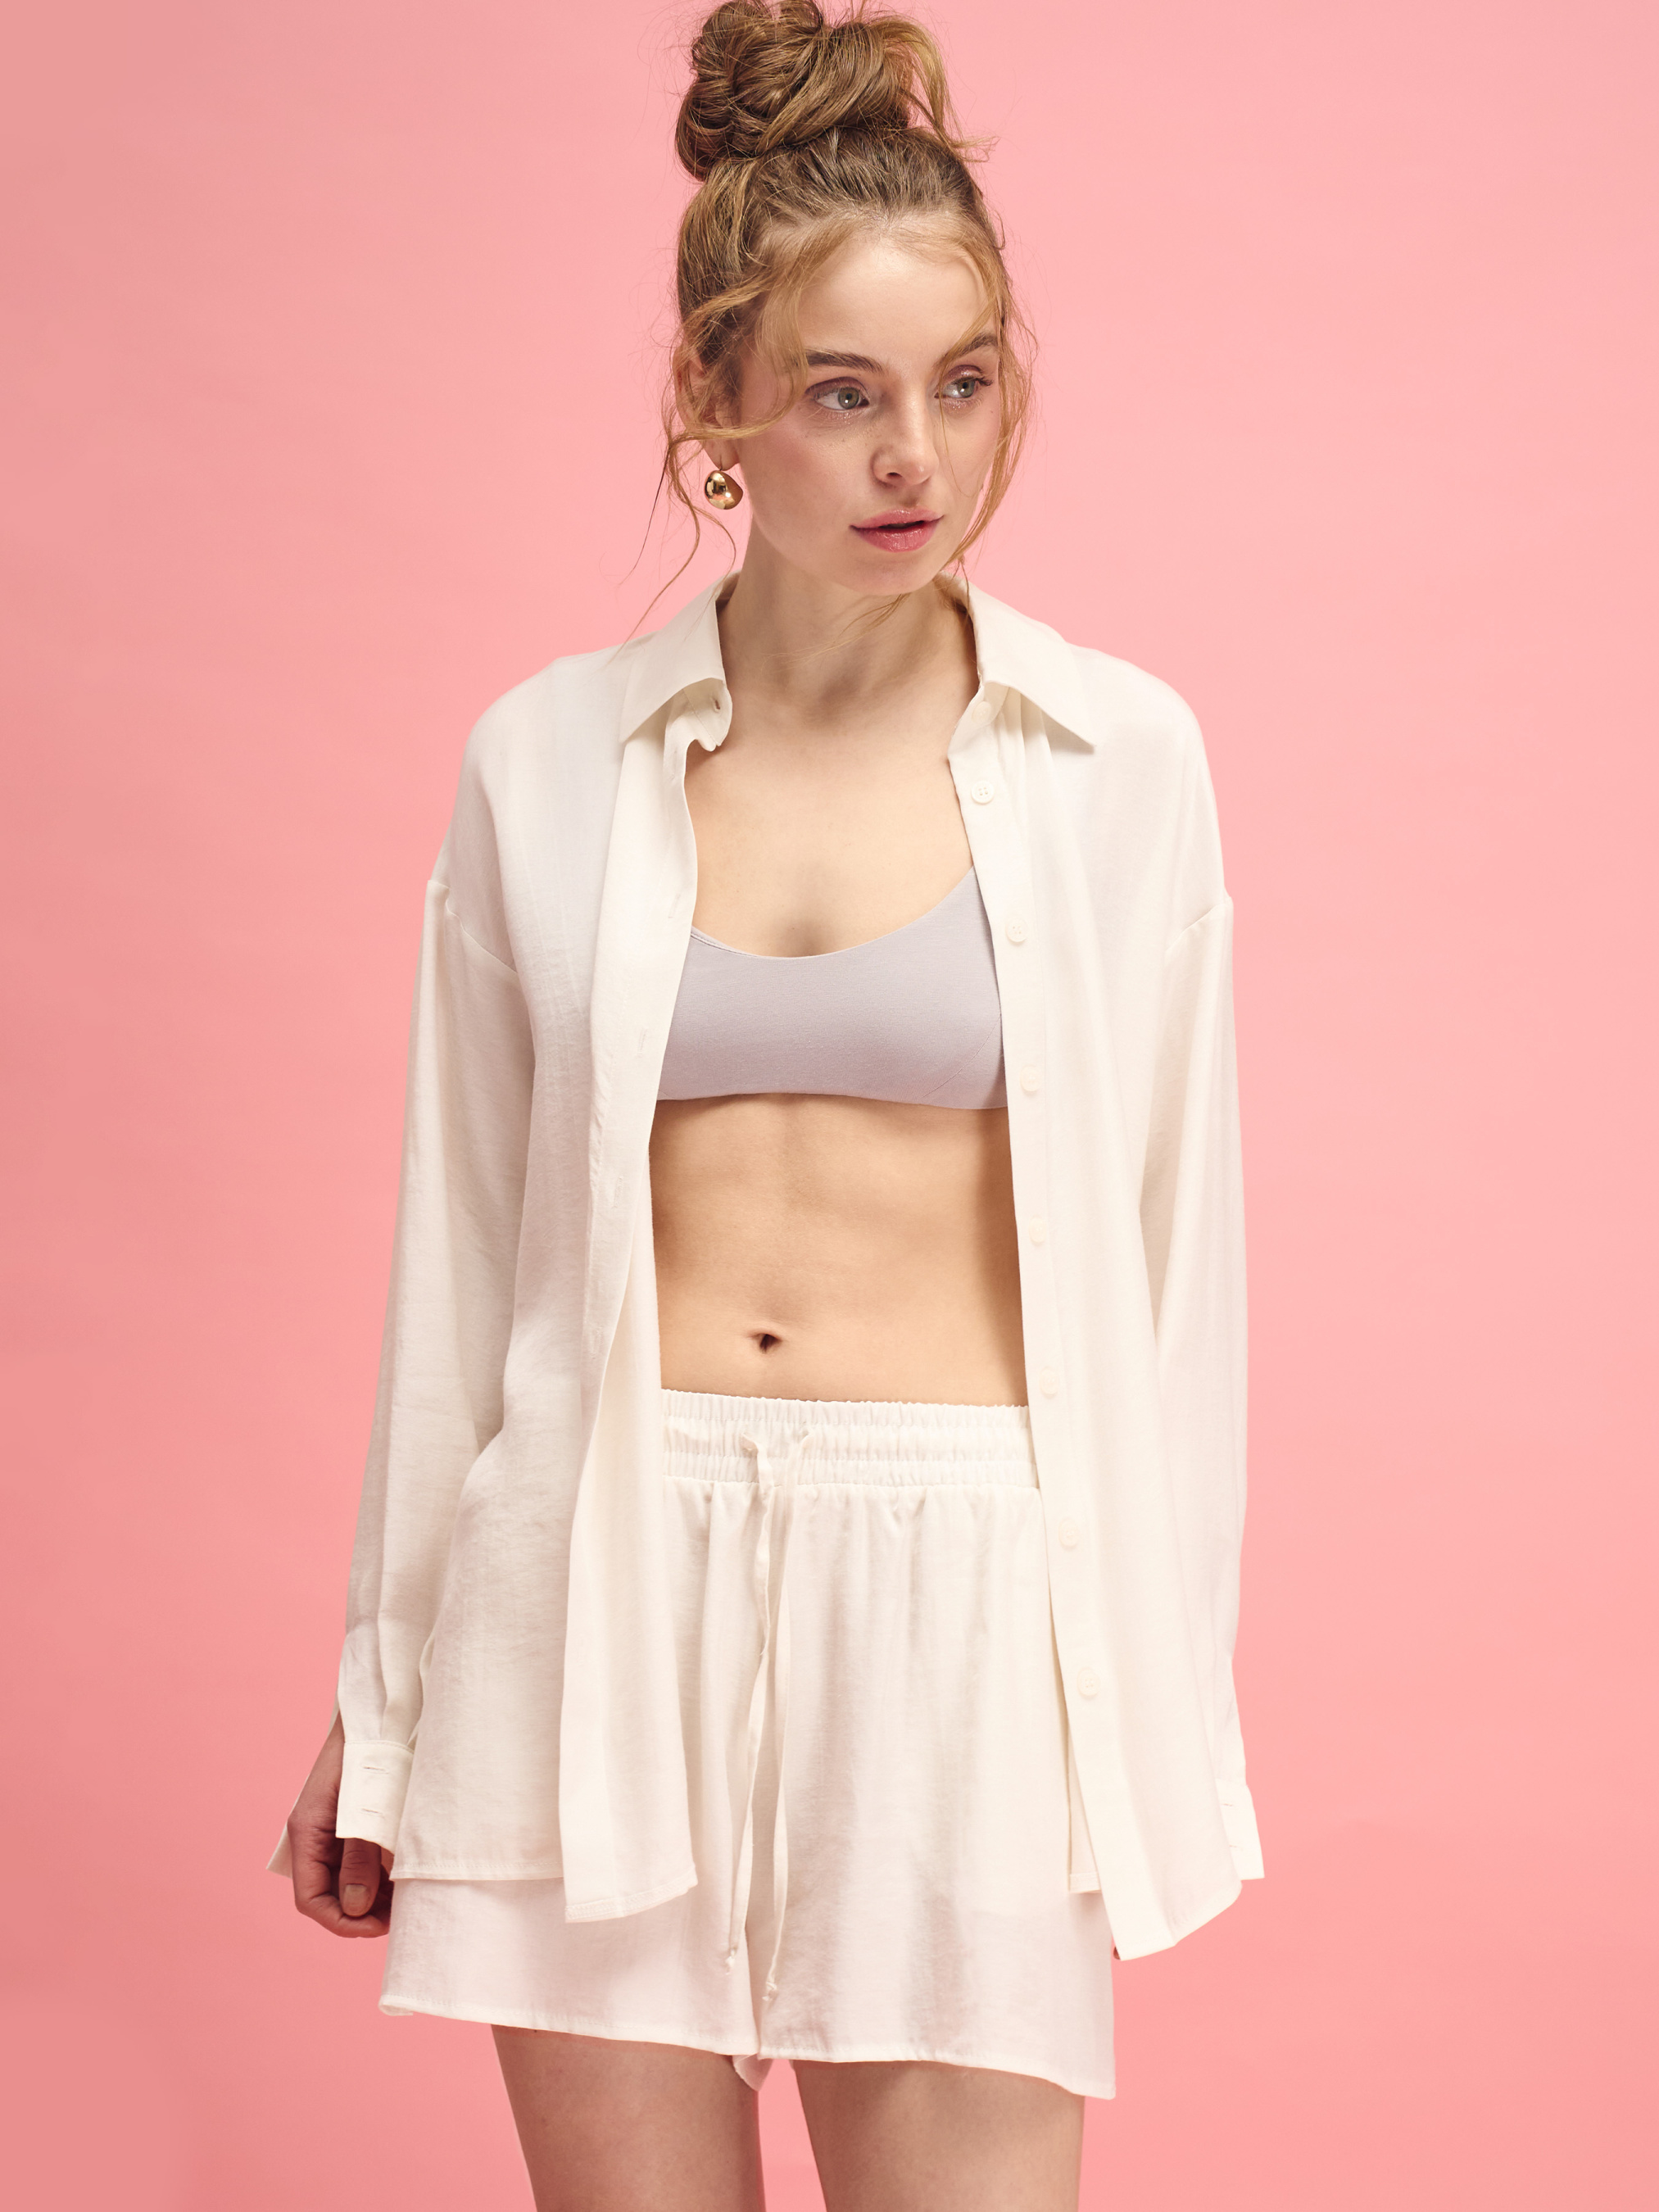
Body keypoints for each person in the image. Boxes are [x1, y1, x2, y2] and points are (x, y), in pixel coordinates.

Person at [273, 4, 1262, 2205]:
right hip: (590, 1576)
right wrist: (389, 1691)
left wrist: (1148, 1713)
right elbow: (463, 1265)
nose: (917, 456)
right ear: (716, 399)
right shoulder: (545, 758)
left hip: (965, 1588)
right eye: (841, 392)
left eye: (963, 383)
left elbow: (1174, 1279)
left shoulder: (1116, 763)